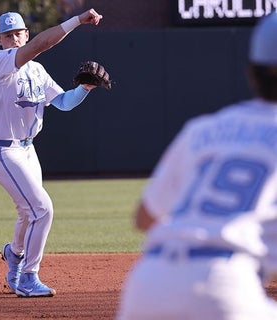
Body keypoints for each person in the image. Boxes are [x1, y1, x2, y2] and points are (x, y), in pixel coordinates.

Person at [116, 13, 277, 320]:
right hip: (226, 286)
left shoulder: (203, 129)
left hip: (149, 282)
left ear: (251, 74)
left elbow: (144, 216)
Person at [0, 9, 103, 297]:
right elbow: (39, 46)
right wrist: (77, 20)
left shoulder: (36, 71)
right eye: (7, 35)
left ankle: (14, 254)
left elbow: (62, 102)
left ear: (25, 33)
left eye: (18, 33)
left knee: (28, 212)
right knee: (43, 209)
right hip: (1, 150)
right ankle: (28, 276)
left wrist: (84, 88)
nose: (14, 39)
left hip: (26, 149)